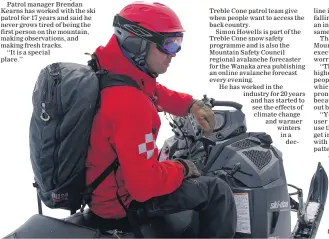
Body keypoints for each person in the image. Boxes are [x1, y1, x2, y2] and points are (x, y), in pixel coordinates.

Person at [86, 1, 237, 238]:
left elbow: (151, 91)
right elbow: (144, 187)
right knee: (217, 190)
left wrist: (190, 104)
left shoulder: (111, 70)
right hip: (120, 204)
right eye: (168, 44)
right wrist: (182, 168)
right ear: (138, 43)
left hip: (101, 187)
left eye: (178, 43)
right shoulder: (129, 104)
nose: (174, 53)